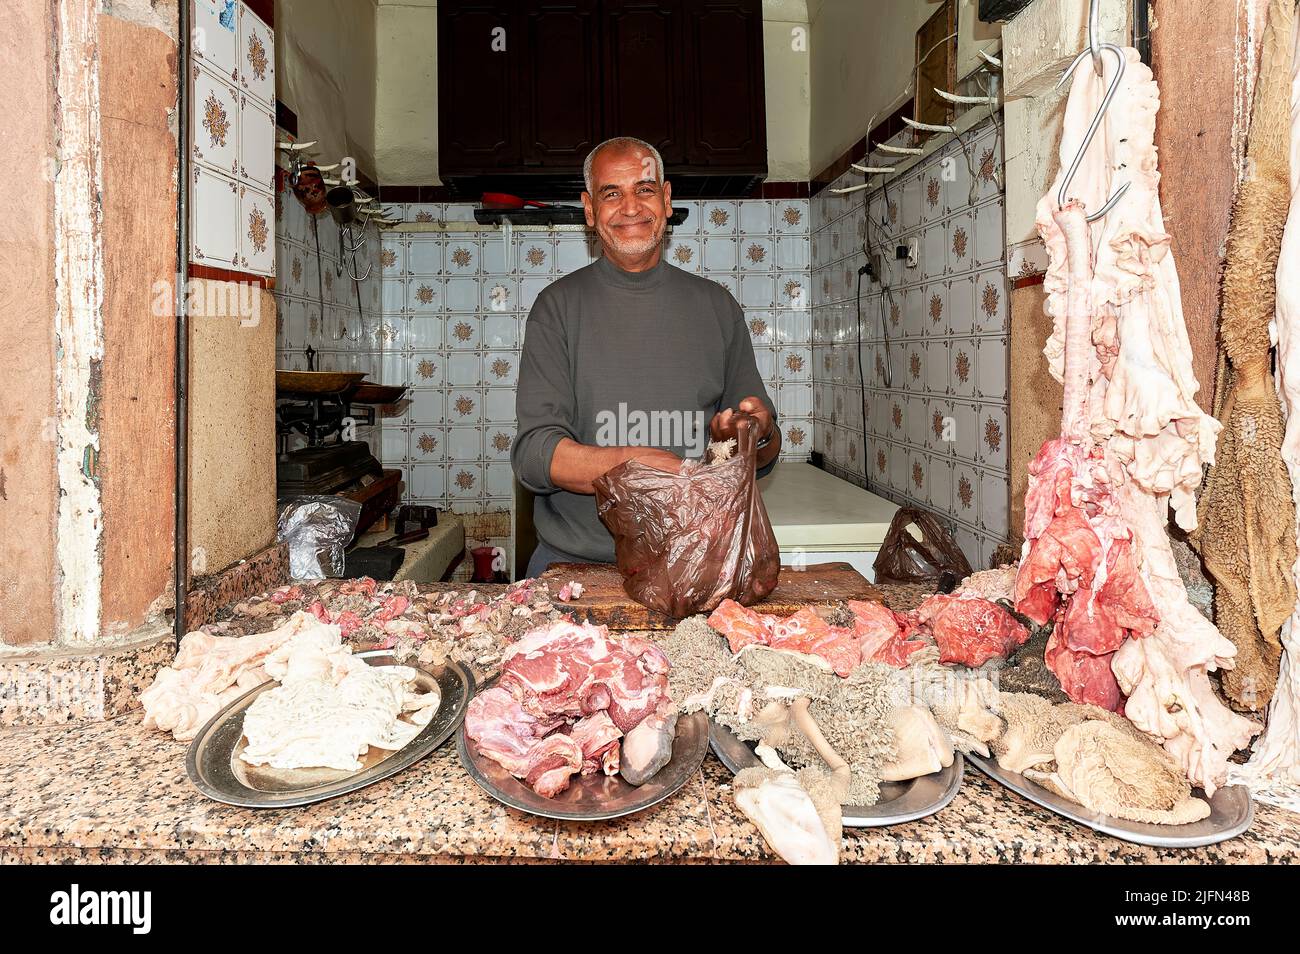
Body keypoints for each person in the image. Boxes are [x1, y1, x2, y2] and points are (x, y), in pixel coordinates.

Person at [512, 136, 781, 578]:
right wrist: (635, 466)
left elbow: (764, 449)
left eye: (644, 189)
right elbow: (536, 456)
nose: (631, 207)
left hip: (698, 561)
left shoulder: (717, 306)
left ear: (667, 199)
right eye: (611, 193)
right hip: (576, 569)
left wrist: (756, 433)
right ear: (589, 208)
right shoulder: (556, 308)